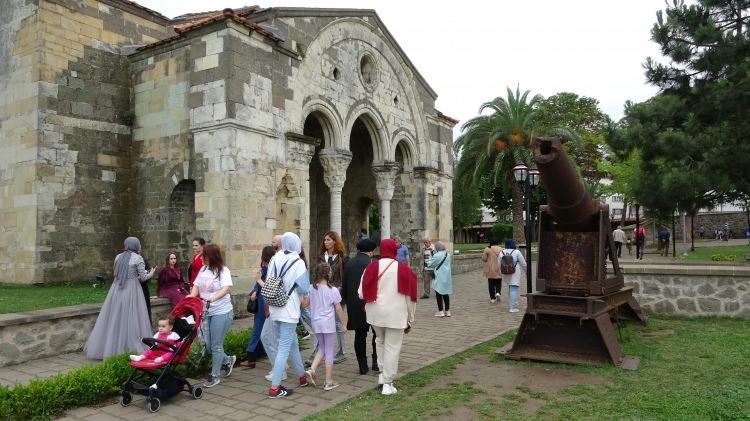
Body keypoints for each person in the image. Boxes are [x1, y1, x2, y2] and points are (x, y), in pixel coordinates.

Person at [359, 238, 416, 396]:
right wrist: (410, 318)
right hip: (396, 314)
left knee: (380, 341)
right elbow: (410, 297)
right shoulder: (403, 269)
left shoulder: (371, 267)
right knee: (393, 346)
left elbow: (361, 293)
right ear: (394, 250)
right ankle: (388, 382)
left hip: (375, 313)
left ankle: (382, 375)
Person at [84, 237, 155, 359]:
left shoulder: (118, 257)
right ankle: (130, 347)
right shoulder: (138, 258)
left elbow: (116, 273)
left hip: (117, 289)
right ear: (136, 246)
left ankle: (111, 348)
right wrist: (152, 272)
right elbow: (143, 277)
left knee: (115, 317)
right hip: (132, 290)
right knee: (132, 318)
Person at [267, 232, 311, 399]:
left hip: (274, 306)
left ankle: (301, 376)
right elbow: (303, 288)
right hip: (289, 308)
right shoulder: (298, 262)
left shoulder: (275, 258)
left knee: (291, 343)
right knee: (284, 348)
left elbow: (270, 279)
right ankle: (275, 388)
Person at [189, 244, 236, 388]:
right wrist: (190, 298)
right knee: (208, 345)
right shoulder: (203, 269)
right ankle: (227, 360)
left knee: (215, 345)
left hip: (222, 312)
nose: (201, 258)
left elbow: (226, 288)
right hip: (206, 311)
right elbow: (196, 286)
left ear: (212, 257)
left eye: (204, 256)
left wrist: (213, 298)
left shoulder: (223, 271)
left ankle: (215, 376)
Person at [305, 263, 347, 391]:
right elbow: (338, 308)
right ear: (328, 274)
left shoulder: (311, 288)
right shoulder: (333, 290)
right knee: (329, 350)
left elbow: (305, 304)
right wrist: (344, 324)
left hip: (316, 323)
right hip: (328, 323)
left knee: (322, 347)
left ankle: (312, 369)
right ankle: (328, 381)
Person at [342, 238, 379, 375]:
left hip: (355, 305)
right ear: (370, 251)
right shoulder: (372, 263)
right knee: (377, 334)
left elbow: (344, 285)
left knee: (360, 335)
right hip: (371, 303)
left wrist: (348, 302)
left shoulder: (349, 263)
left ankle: (362, 366)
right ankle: (376, 362)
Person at [315, 231, 347, 364]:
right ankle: (318, 352)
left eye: (328, 240)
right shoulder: (320, 257)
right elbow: (315, 273)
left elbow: (345, 276)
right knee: (321, 324)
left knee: (338, 323)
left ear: (335, 241)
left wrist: (340, 287)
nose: (325, 242)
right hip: (322, 295)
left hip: (337, 294)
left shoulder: (342, 258)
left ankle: (341, 351)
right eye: (324, 240)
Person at [241, 245, 275, 368]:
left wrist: (257, 288)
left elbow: (262, 280)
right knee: (260, 329)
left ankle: (252, 357)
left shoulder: (275, 265)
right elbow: (259, 280)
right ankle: (252, 356)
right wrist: (255, 291)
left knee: (260, 329)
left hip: (267, 301)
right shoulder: (266, 265)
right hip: (262, 299)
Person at [499, 239, 527, 313]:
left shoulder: (501, 252)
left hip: (505, 272)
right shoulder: (517, 252)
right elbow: (523, 263)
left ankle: (513, 302)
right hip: (515, 272)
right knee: (513, 288)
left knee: (510, 287)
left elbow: (499, 264)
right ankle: (512, 307)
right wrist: (526, 271)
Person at [427, 242, 452, 317]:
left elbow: (430, 264)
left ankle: (440, 311)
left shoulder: (437, 255)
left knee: (438, 293)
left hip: (439, 276)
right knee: (445, 293)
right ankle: (447, 311)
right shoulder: (448, 255)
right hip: (446, 276)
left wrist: (429, 258)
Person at [482, 239, 502, 303]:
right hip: (499, 268)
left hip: (490, 269)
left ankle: (492, 298)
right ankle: (498, 292)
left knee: (491, 284)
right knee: (498, 282)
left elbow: (484, 259)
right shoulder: (501, 249)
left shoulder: (487, 249)